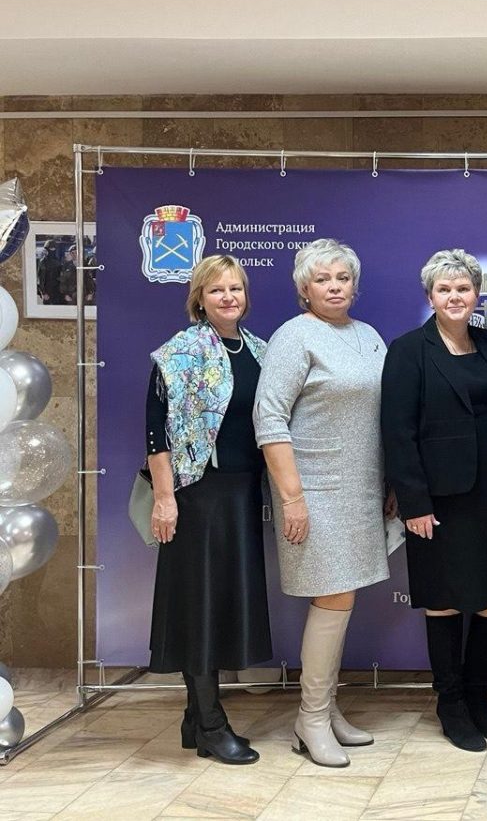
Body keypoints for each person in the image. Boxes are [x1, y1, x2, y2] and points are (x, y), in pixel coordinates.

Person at [253, 238, 392, 769]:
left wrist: (390, 482)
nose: (335, 287)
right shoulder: (294, 336)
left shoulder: (369, 335)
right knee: (332, 596)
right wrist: (292, 498)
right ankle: (310, 718)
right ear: (303, 289)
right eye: (322, 279)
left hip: (361, 486)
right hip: (313, 488)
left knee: (343, 596)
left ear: (355, 285)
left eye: (343, 278)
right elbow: (269, 418)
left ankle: (326, 710)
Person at [380, 249, 487, 753]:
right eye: (445, 289)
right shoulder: (408, 350)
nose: (455, 297)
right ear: (430, 296)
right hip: (436, 499)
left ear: (477, 294)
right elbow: (397, 432)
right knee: (443, 599)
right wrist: (413, 502)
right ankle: (451, 703)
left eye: (463, 288)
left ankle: (479, 698)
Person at [145, 254, 271, 765]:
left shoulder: (260, 350)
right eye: (217, 289)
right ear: (199, 297)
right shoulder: (179, 352)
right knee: (200, 607)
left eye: (235, 288)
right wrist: (164, 498)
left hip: (242, 493)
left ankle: (194, 718)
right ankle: (212, 725)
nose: (228, 297)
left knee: (222, 605)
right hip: (197, 495)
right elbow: (156, 433)